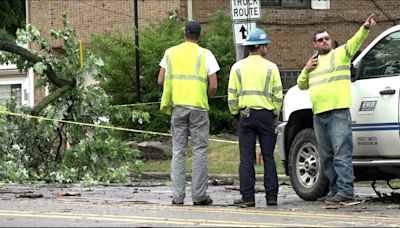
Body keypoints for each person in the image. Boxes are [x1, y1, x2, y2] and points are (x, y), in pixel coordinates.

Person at [297, 14, 376, 204]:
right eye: (320, 40)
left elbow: (355, 42)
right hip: (319, 115)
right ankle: (334, 191)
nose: (325, 41)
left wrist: (365, 27)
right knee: (326, 156)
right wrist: (306, 69)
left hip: (338, 112)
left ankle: (346, 191)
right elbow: (301, 85)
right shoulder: (312, 64)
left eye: (327, 38)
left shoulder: (340, 54)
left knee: (341, 153)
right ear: (314, 44)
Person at [158, 20, 219, 206]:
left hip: (178, 107)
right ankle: (199, 195)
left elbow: (161, 80)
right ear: (199, 35)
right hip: (199, 108)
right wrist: (205, 95)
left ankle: (177, 196)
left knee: (178, 151)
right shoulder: (205, 54)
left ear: (185, 33)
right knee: (199, 151)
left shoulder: (170, 53)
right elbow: (214, 84)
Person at [227, 28, 283, 207]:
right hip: (266, 116)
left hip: (246, 115)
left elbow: (232, 95)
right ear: (259, 46)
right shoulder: (271, 67)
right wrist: (275, 111)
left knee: (246, 158)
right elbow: (278, 95)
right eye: (265, 44)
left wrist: (235, 112)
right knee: (268, 156)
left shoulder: (237, 67)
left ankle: (248, 197)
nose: (267, 47)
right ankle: (272, 197)